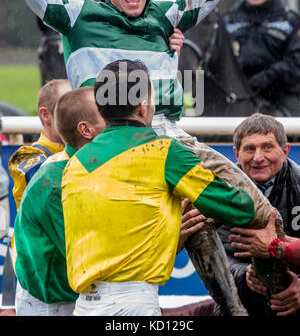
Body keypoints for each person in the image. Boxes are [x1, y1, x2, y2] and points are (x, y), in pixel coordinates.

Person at [9, 0, 277, 310]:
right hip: (107, 146)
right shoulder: (77, 14)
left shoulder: (166, 14)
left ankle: (268, 296)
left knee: (260, 212)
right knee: (193, 223)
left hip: (170, 140)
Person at [61, 59, 257, 317]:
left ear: (101, 108)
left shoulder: (73, 164)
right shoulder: (166, 152)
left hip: (84, 306)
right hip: (134, 305)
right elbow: (240, 208)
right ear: (143, 107)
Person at [14, 86, 106, 316]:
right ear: (85, 129)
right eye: (105, 115)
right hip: (50, 301)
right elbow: (88, 257)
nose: (115, 121)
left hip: (70, 292)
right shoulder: (51, 177)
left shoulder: (82, 164)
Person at [216, 113, 300, 317]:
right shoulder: (221, 192)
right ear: (236, 154)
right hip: (243, 305)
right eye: (250, 148)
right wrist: (244, 277)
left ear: (285, 151)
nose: (258, 157)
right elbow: (218, 259)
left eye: (267, 147)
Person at [223, 0, 300, 116]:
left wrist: (266, 78)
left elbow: (296, 62)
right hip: (234, 96)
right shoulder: (228, 21)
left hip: (279, 96)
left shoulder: (291, 20)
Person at [8, 78, 71, 212]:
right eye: (68, 109)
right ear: (46, 115)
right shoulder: (29, 156)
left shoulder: (84, 151)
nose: (78, 115)